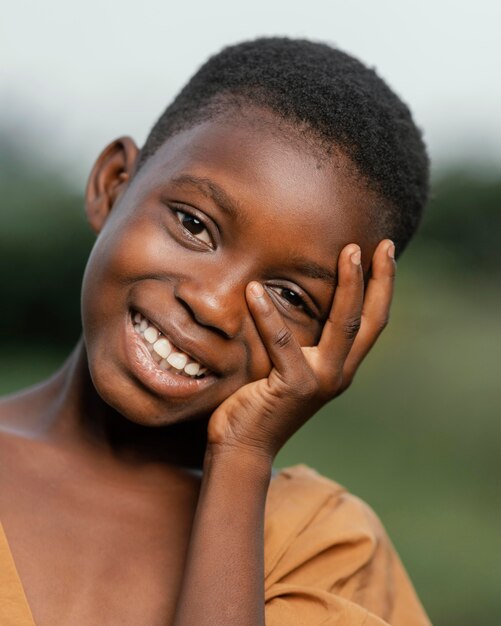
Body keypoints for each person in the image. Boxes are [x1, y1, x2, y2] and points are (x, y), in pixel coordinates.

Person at [0, 37, 432, 625]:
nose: (213, 306)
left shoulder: (326, 546)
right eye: (194, 225)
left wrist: (242, 458)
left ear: (341, 336)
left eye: (290, 297)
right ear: (113, 184)